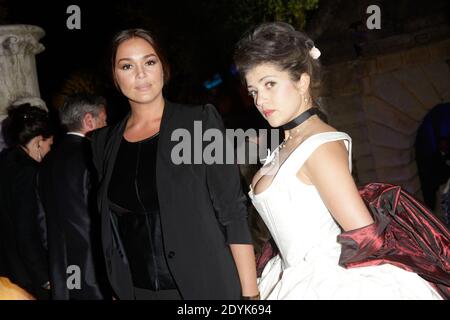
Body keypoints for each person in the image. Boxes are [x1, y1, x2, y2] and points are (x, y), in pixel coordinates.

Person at [234, 22, 449, 299]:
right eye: (254, 91)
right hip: (288, 275)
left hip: (323, 282)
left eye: (270, 84)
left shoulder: (319, 147)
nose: (260, 99)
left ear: (302, 81)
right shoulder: (290, 142)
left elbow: (362, 232)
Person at [91, 29, 258, 300]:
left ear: (163, 68)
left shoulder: (199, 123)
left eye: (149, 62)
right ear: (114, 75)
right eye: (126, 66)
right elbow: (112, 228)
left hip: (206, 287)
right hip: (137, 292)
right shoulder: (102, 143)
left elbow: (232, 211)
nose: (140, 74)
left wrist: (250, 296)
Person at [38, 93, 110, 300]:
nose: (107, 124)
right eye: (104, 120)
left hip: (62, 267)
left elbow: (41, 219)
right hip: (95, 268)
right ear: (89, 120)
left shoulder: (47, 162)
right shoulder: (92, 156)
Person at [0, 103, 54, 299]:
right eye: (50, 144)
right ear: (39, 141)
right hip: (27, 275)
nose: (50, 150)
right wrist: (44, 277)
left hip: (7, 271)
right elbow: (27, 231)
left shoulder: (5, 163)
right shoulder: (28, 173)